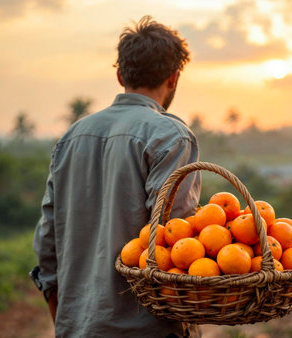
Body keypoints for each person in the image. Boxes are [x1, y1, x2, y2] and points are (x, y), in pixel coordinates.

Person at [31, 16, 201, 337]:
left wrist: (65, 314)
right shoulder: (172, 136)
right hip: (147, 328)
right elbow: (173, 237)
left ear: (121, 75)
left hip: (77, 325)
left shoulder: (72, 136)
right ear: (174, 78)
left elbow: (47, 238)